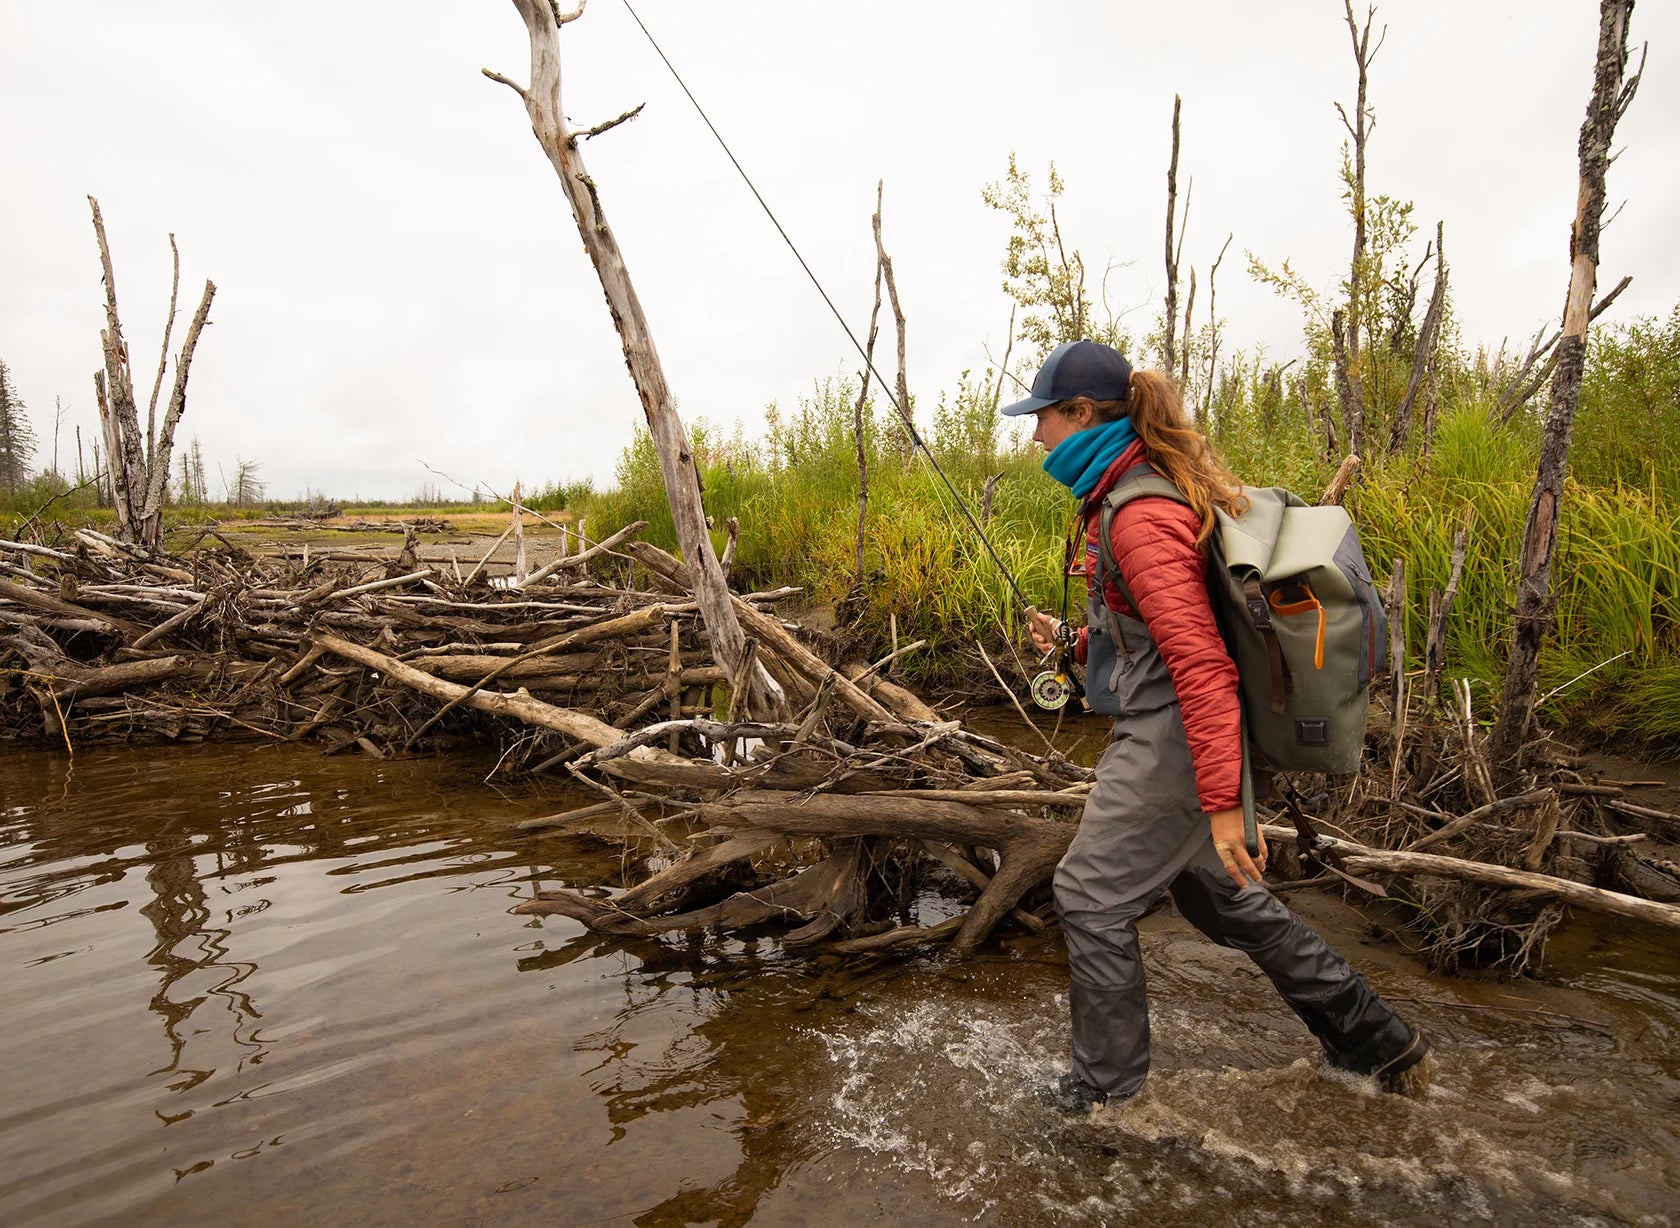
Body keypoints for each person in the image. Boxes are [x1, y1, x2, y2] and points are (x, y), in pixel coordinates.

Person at [1007, 338, 1430, 1113]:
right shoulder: (1126, 497)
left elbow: (1200, 665)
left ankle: (1106, 1101)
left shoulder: (1138, 514)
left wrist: (1225, 804)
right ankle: (1377, 1039)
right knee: (1219, 899)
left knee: (1090, 895)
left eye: (1043, 419)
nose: (1035, 436)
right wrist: (1072, 645)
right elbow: (1162, 635)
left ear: (1082, 413)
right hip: (1179, 725)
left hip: (1175, 734)